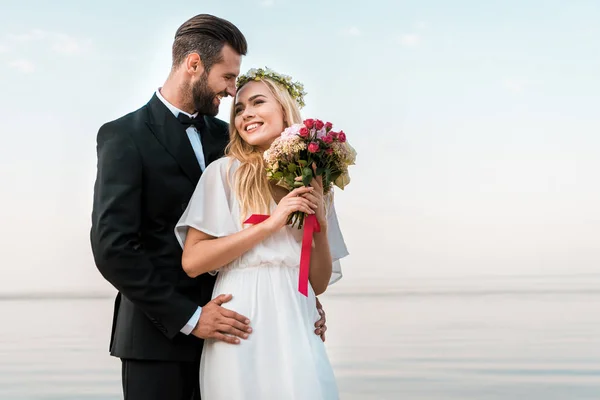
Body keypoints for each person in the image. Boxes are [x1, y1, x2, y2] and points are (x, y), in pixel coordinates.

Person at [90, 14, 328, 400]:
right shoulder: (124, 136)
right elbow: (113, 248)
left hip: (241, 331)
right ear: (194, 65)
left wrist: (296, 299)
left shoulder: (229, 137)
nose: (234, 92)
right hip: (158, 340)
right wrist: (191, 317)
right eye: (229, 77)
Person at [175, 67, 348, 399]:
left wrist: (321, 229)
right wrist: (272, 223)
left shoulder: (315, 181)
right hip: (242, 319)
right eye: (239, 109)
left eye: (257, 103)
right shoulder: (224, 173)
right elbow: (193, 261)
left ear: (284, 110)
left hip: (297, 317)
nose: (246, 114)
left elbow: (318, 283)